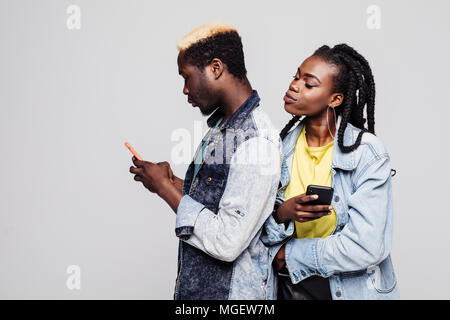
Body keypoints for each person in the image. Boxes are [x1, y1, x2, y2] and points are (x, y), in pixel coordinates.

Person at [129, 22, 282, 299]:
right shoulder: (222, 128)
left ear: (215, 68)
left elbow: (227, 242)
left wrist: (165, 189)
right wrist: (169, 181)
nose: (185, 90)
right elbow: (214, 203)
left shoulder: (255, 142)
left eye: (186, 77)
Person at [261, 44, 399, 300]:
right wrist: (282, 213)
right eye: (296, 77)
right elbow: (254, 235)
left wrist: (286, 255)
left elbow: (366, 247)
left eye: (309, 84)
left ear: (335, 99)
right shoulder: (277, 150)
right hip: (287, 289)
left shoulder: (366, 154)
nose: (295, 86)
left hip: (350, 291)